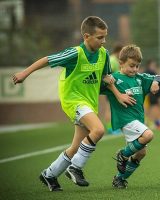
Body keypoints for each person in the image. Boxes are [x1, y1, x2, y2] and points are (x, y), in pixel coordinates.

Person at [12, 16, 135, 191]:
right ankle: (75, 168)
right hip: (74, 101)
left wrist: (118, 95)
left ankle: (49, 174)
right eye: (100, 37)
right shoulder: (75, 53)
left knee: (77, 147)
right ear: (86, 36)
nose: (104, 41)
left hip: (90, 104)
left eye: (105, 37)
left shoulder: (104, 54)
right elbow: (47, 59)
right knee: (99, 130)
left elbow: (107, 79)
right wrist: (25, 73)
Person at [102, 45, 160, 189]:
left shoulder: (139, 78)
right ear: (121, 63)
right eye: (131, 66)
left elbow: (159, 76)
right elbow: (98, 83)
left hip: (138, 119)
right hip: (125, 119)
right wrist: (105, 80)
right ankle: (122, 155)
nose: (135, 69)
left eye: (137, 66)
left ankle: (119, 179)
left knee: (141, 153)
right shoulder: (115, 79)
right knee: (148, 134)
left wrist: (156, 82)